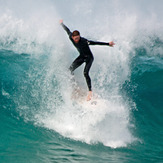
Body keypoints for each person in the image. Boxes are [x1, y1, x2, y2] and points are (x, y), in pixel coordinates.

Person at [59, 20, 115, 101]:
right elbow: (67, 30)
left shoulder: (84, 41)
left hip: (89, 57)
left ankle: (90, 92)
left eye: (78, 38)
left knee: (85, 73)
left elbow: (95, 43)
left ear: (79, 36)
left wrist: (108, 44)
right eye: (75, 38)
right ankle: (74, 87)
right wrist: (61, 24)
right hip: (82, 56)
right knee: (70, 70)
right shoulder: (71, 36)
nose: (77, 40)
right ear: (73, 37)